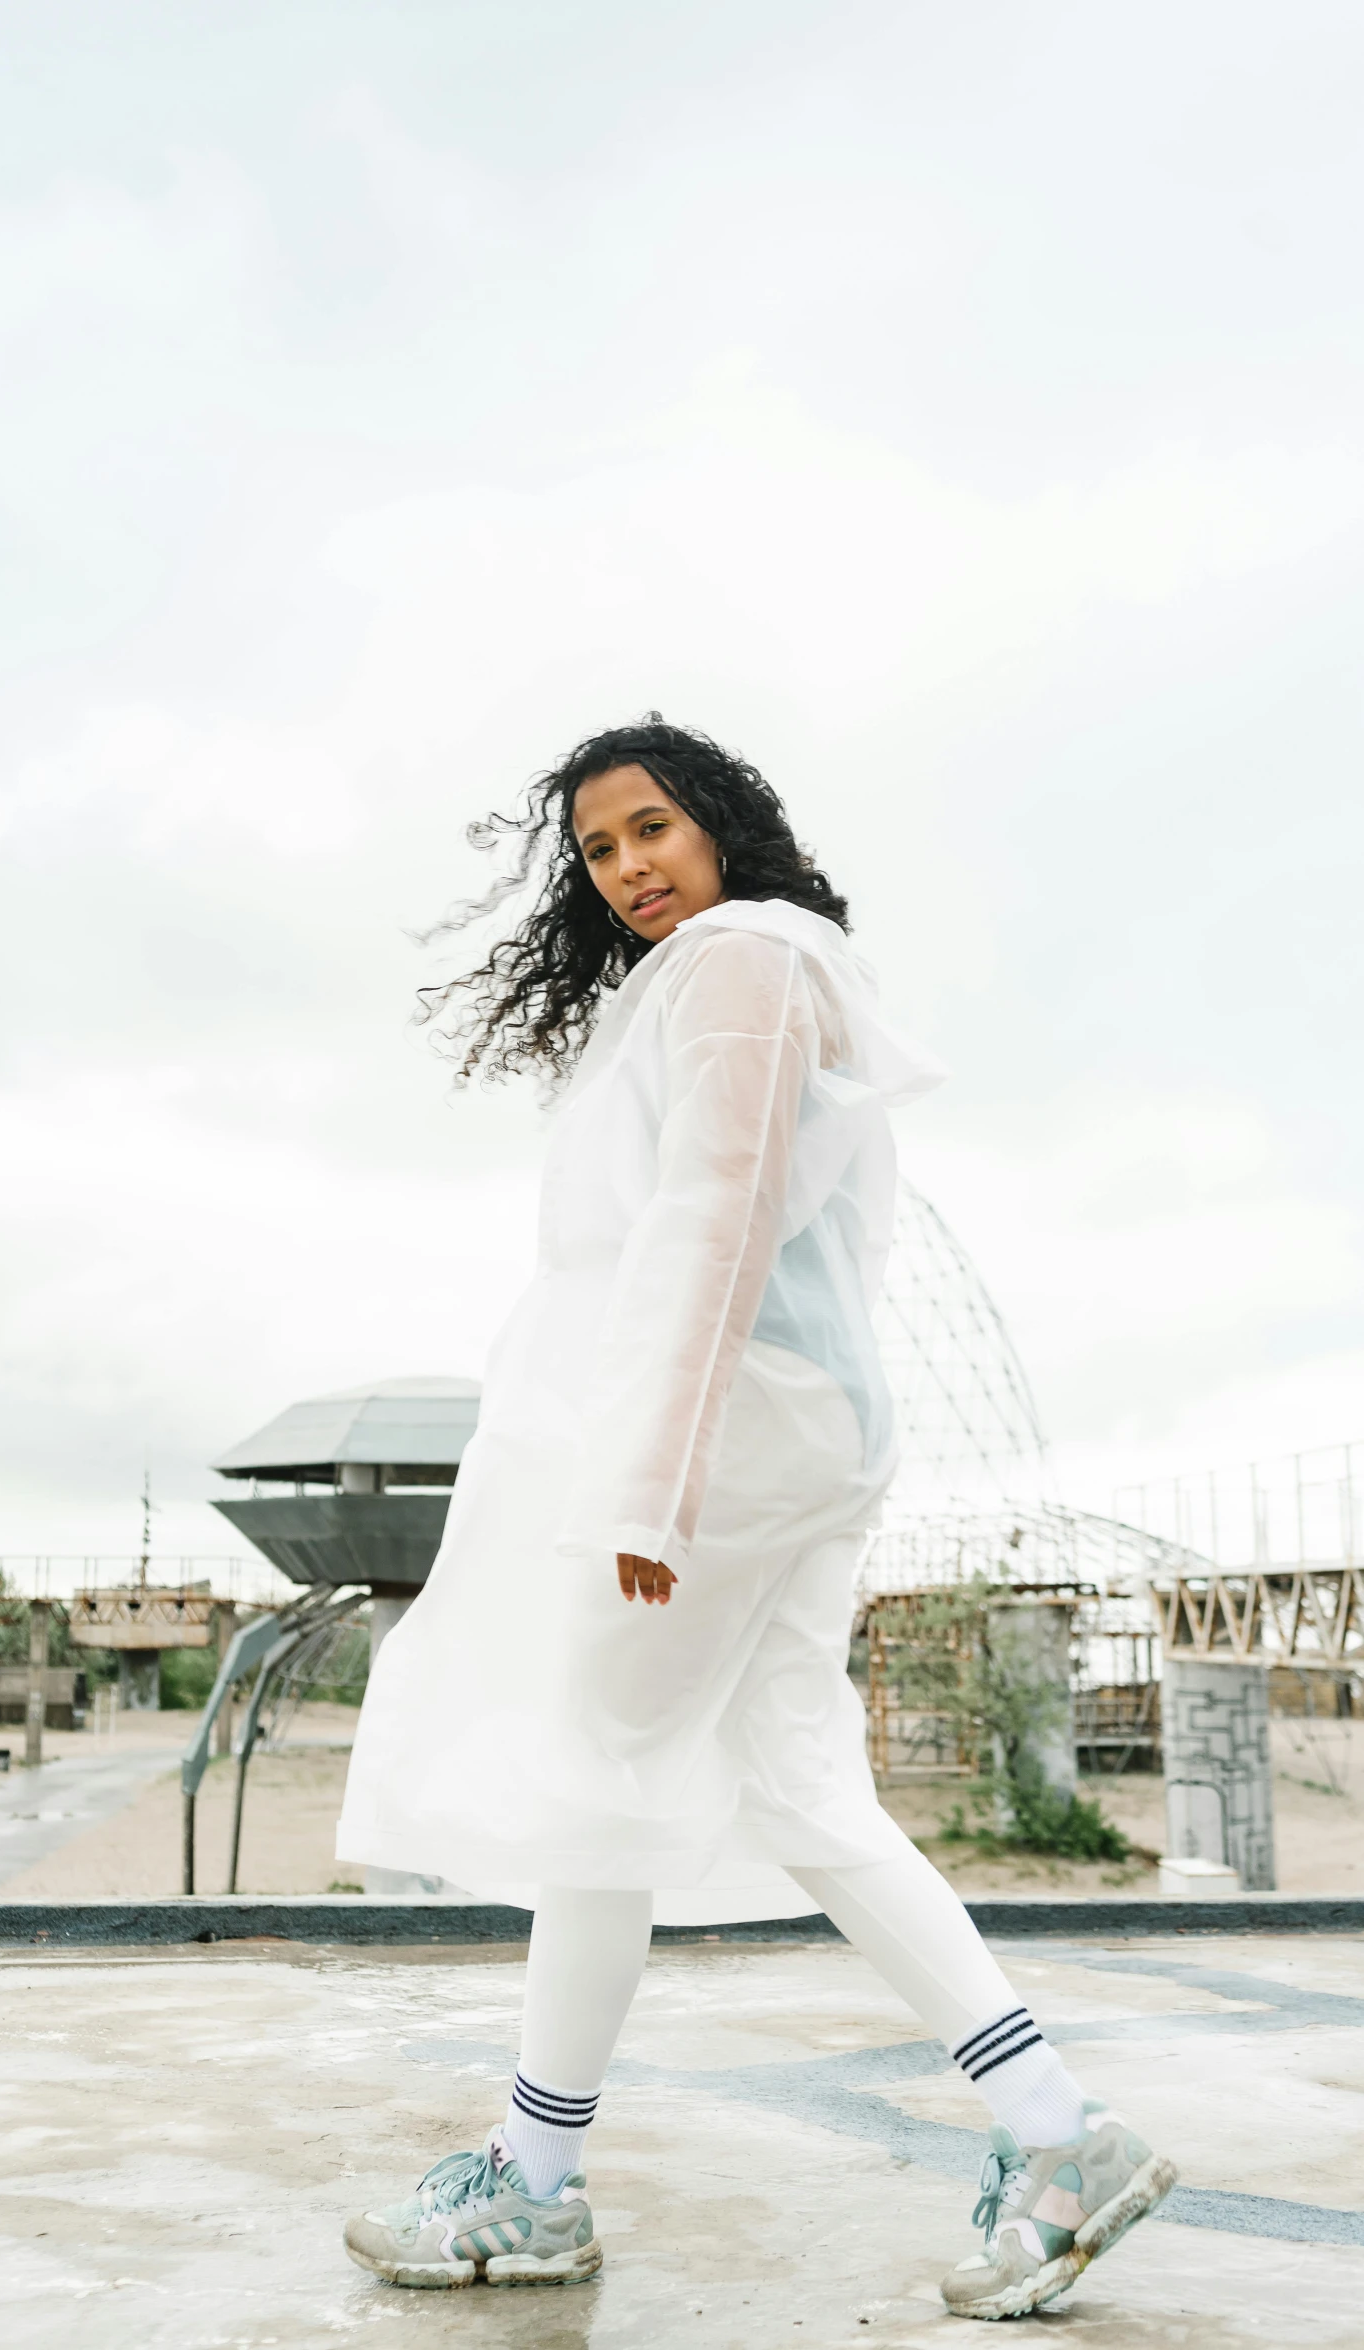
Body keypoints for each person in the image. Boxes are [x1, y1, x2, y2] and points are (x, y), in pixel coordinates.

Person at [336, 717, 1175, 2319]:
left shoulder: (736, 960)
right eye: (596, 850)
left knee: (596, 1775)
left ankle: (529, 2187)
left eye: (652, 825)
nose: (630, 866)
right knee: (800, 1782)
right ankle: (1057, 2135)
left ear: (721, 823)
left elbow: (712, 1215)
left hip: (728, 1435)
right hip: (802, 1423)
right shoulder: (772, 966)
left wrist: (650, 1476)